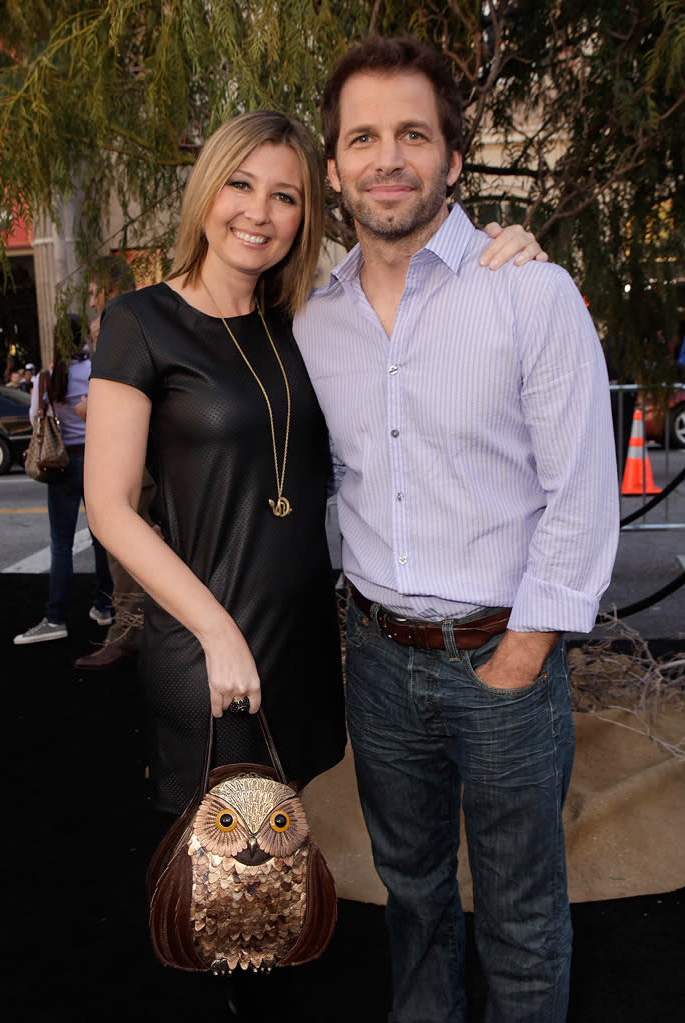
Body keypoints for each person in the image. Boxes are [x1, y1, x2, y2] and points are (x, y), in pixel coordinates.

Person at [83, 109, 539, 819]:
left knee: (286, 867)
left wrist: (496, 243)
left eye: (285, 196)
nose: (258, 213)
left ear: (305, 214)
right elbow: (109, 508)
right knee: (225, 883)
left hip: (301, 641)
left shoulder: (303, 317)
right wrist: (218, 634)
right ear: (207, 190)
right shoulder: (139, 322)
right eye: (240, 184)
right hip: (212, 644)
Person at [293, 36, 620, 1023]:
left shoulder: (529, 292)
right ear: (336, 166)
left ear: (452, 159)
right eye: (363, 137)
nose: (387, 156)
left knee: (521, 916)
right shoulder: (314, 320)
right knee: (414, 903)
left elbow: (581, 490)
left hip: (502, 665)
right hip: (379, 664)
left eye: (412, 133)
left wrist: (523, 651)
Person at [13, 316, 114, 645]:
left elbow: (34, 419)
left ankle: (56, 616)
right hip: (96, 460)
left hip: (62, 464)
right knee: (102, 539)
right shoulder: (96, 370)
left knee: (61, 545)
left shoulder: (46, 377)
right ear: (82, 337)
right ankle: (104, 606)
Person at [73, 254, 152, 671]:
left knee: (124, 552)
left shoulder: (118, 319)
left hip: (128, 457)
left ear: (107, 287)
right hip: (141, 457)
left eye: (92, 292)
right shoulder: (145, 314)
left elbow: (115, 394)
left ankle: (127, 636)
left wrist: (87, 407)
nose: (89, 301)